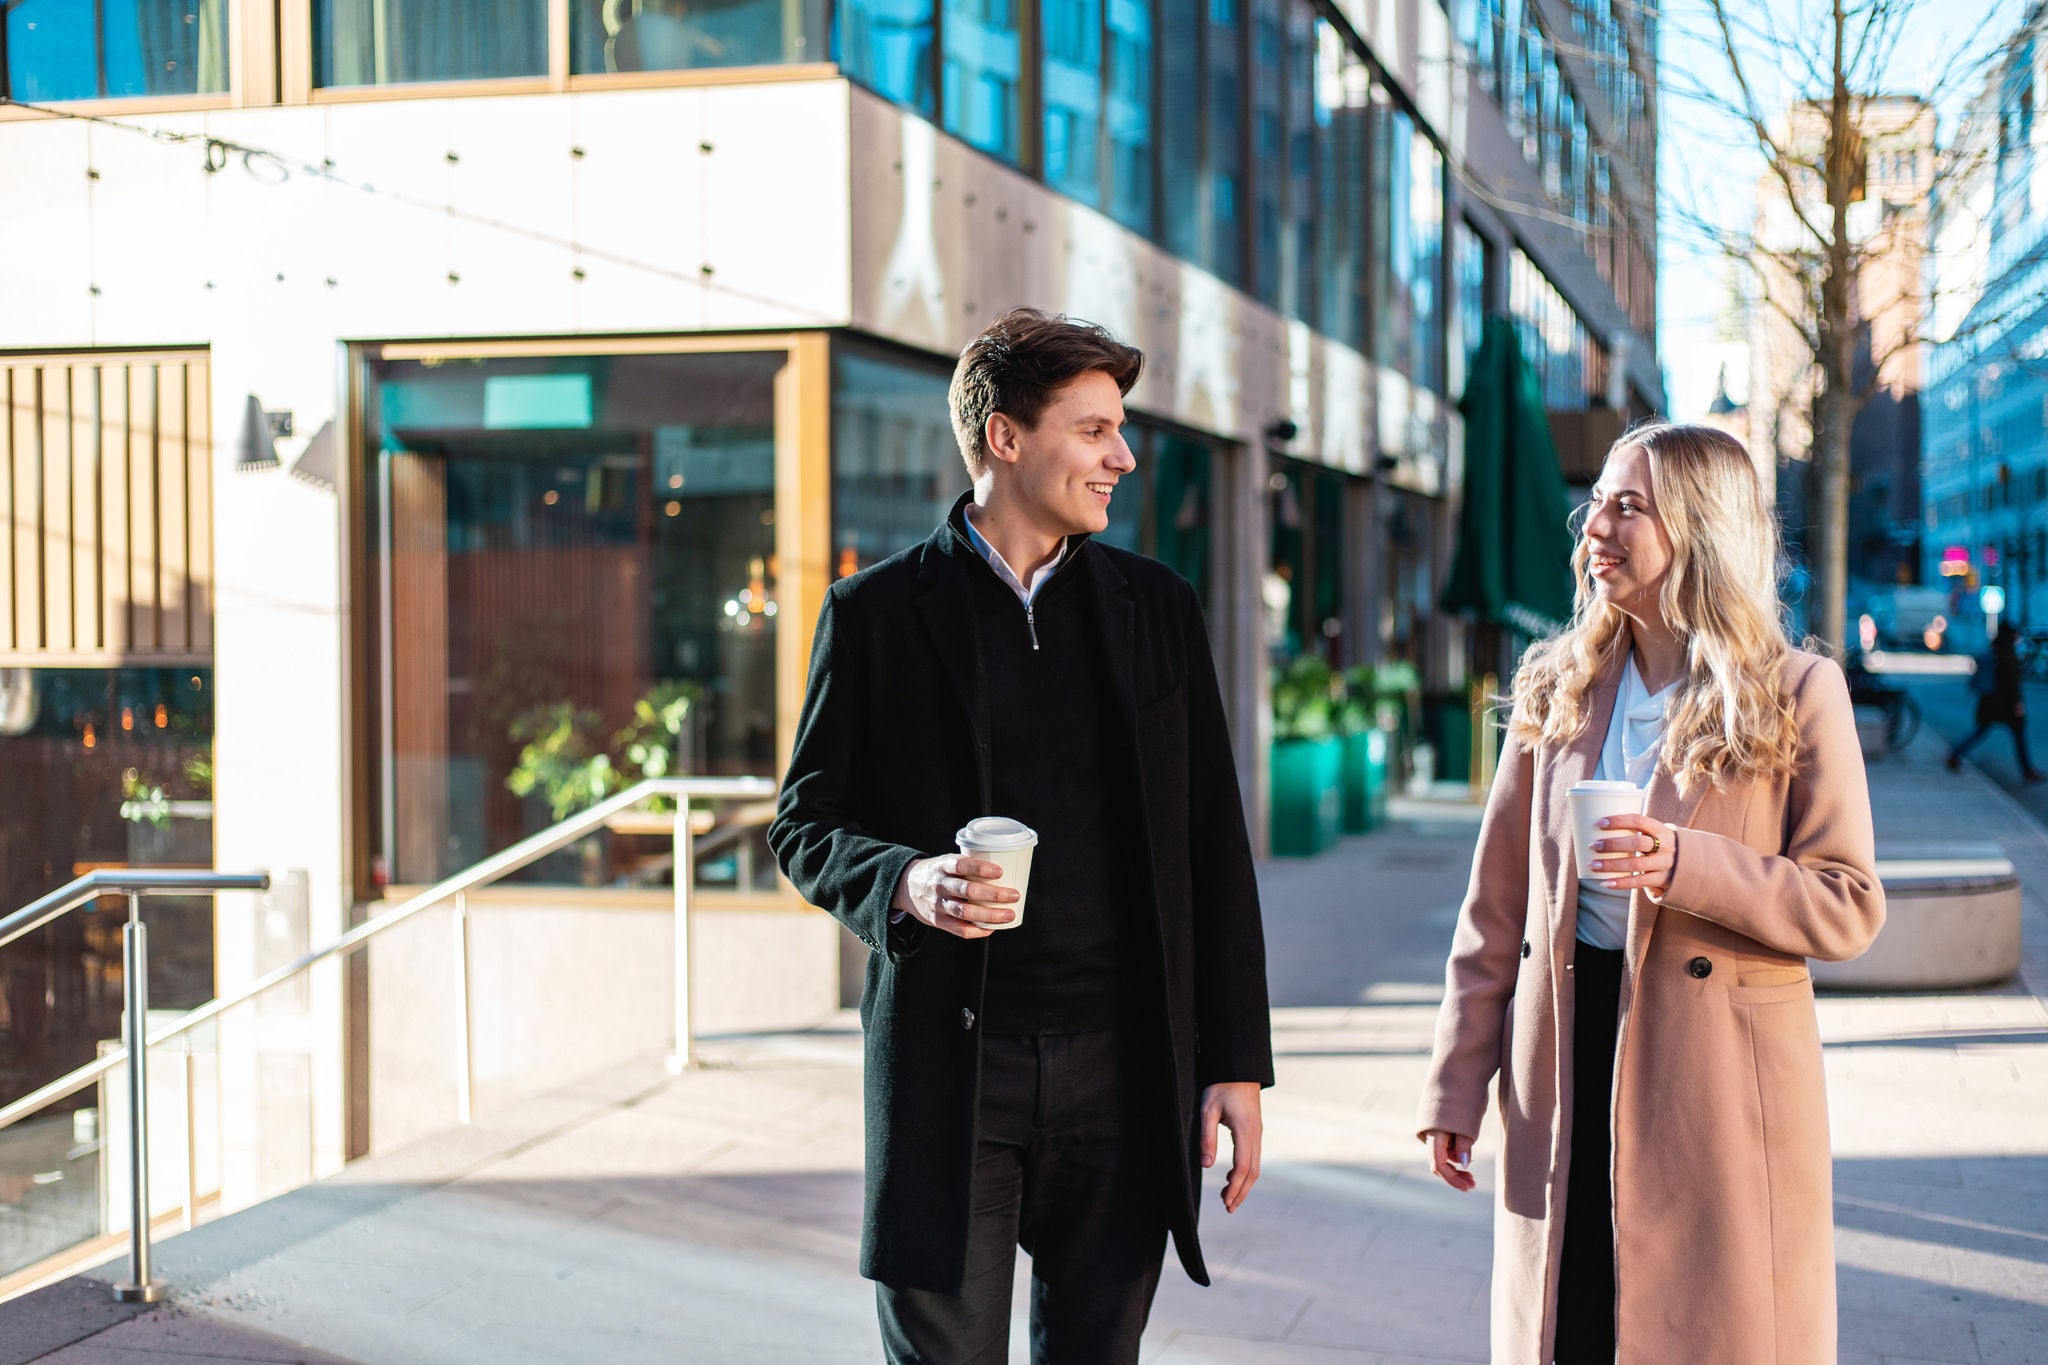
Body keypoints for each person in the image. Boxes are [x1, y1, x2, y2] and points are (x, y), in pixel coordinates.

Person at [768, 307, 1273, 1364]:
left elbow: (1211, 851)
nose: (1121, 456)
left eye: (1117, 429)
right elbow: (804, 823)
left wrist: (1232, 1060)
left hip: (1125, 1066)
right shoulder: (875, 614)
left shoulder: (1156, 608)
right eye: (1092, 430)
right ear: (1006, 437)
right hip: (953, 1073)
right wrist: (906, 883)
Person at [1416, 422, 1885, 1364]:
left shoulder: (1795, 691)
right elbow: (1493, 911)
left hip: (1714, 1076)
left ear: (1700, 529)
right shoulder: (1560, 685)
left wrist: (1684, 863)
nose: (1596, 525)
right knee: (1576, 1311)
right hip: (1566, 1047)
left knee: (1699, 1325)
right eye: (1596, 503)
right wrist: (1456, 1084)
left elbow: (1846, 903)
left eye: (1628, 506)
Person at [1947, 625, 2045, 782]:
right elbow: (2012, 684)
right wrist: (2017, 704)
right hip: (2005, 705)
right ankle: (2028, 771)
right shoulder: (2008, 655)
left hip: (1989, 703)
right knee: (2016, 736)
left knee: (1982, 731)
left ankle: (1955, 754)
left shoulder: (1993, 652)